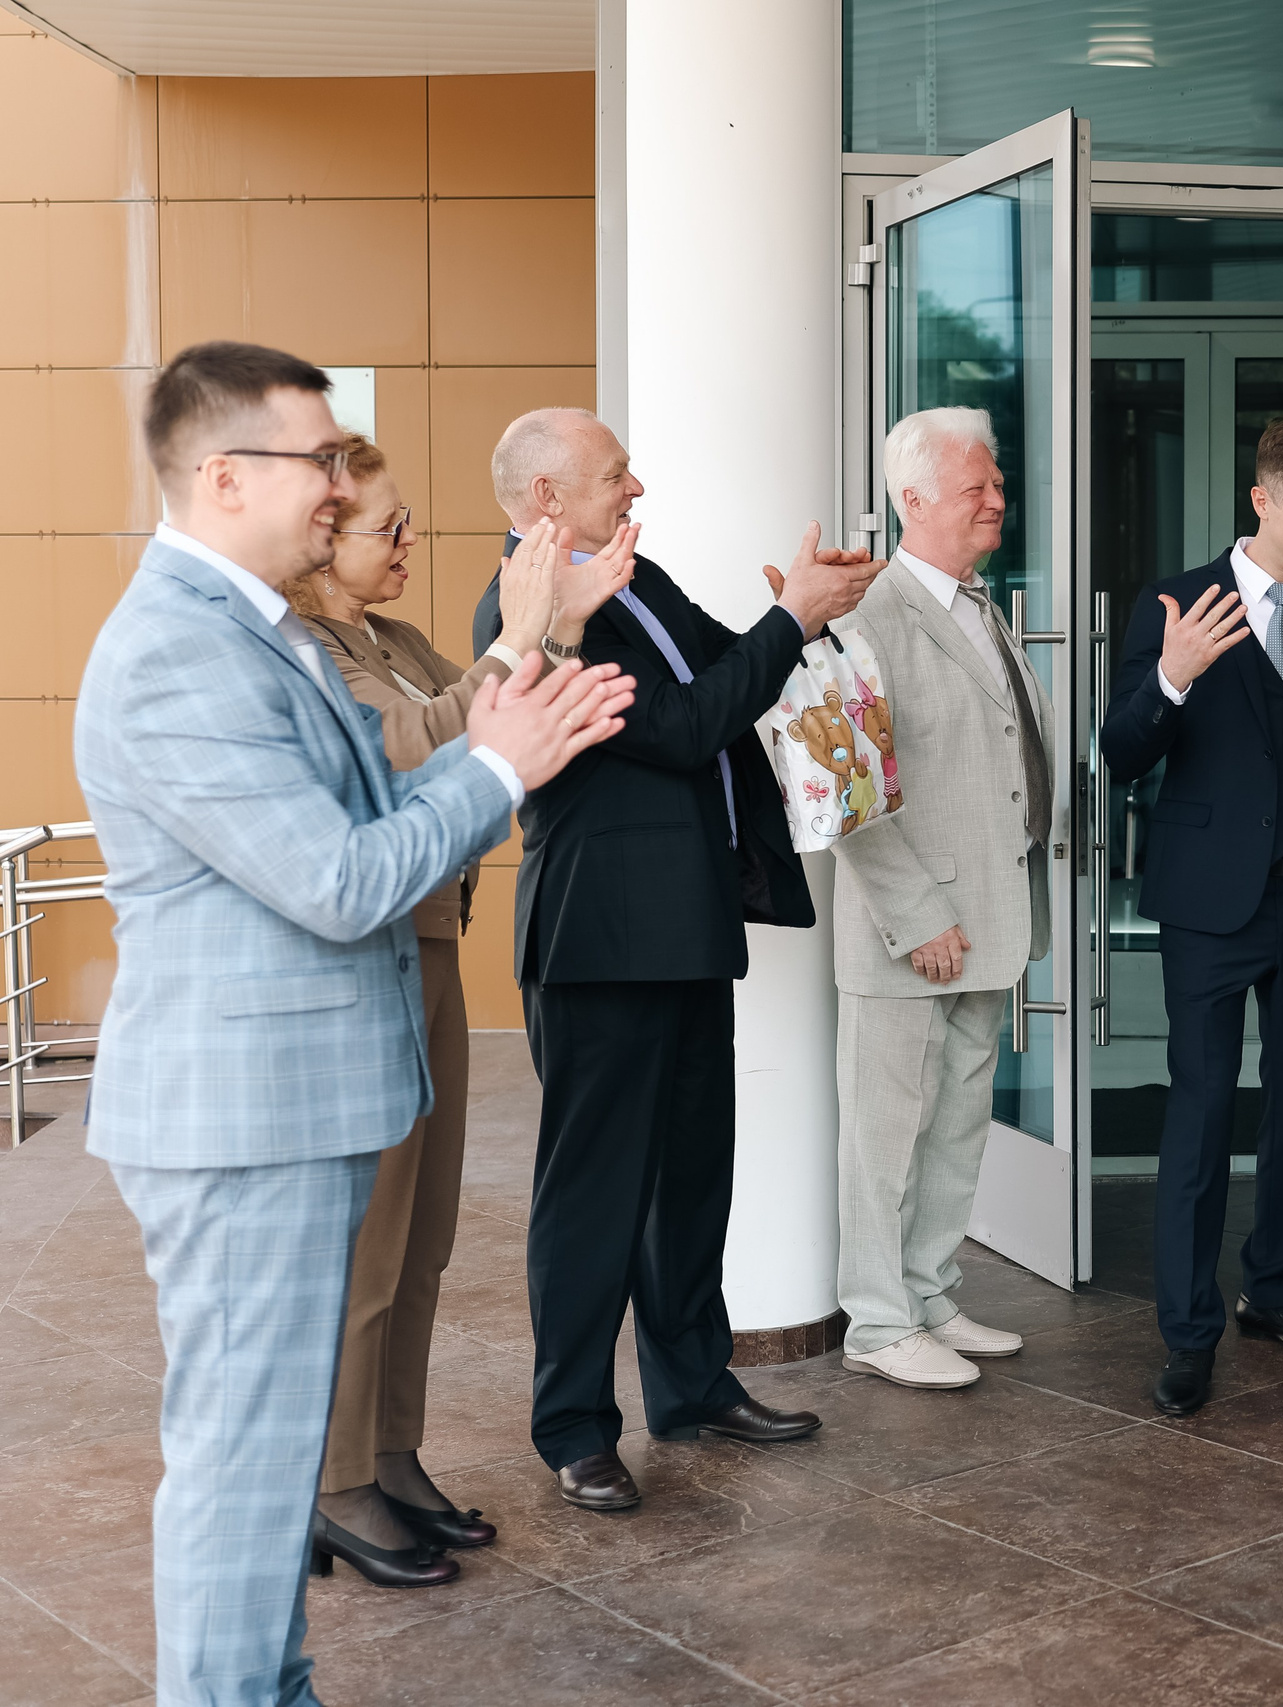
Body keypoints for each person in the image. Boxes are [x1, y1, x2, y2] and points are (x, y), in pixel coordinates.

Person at [74, 342, 630, 1707]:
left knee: (259, 1464)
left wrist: (509, 708)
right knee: (242, 1463)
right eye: (319, 461)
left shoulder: (250, 626)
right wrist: (506, 762)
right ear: (221, 476)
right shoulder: (174, 652)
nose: (341, 487)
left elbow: (372, 816)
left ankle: (271, 1682)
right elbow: (339, 878)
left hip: (290, 1106)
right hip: (243, 1118)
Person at [471, 407, 878, 1511]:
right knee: (594, 1195)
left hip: (689, 924)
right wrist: (787, 621)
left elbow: (730, 666)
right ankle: (572, 1428)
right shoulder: (529, 617)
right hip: (600, 940)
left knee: (697, 1171)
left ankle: (693, 1387)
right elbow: (689, 724)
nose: (635, 485)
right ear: (547, 498)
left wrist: (802, 609)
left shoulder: (637, 584)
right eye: (613, 474)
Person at [282, 437, 626, 1585]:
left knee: (422, 1236)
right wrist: (520, 636)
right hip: (364, 957)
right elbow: (411, 742)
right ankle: (333, 1487)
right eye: (391, 529)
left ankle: (389, 1453)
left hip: (425, 942)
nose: (410, 545)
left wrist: (561, 623)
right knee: (370, 1241)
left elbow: (492, 707)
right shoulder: (308, 651)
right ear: (323, 542)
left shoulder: (391, 638)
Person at [1100, 415, 1283, 1416]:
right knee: (1204, 1108)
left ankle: (1275, 1289)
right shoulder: (1178, 600)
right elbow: (1120, 751)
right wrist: (1173, 675)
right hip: (1209, 906)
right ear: (1261, 499)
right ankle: (1187, 1331)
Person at [832, 407, 1049, 1389]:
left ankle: (927, 1293)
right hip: (909, 930)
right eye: (977, 486)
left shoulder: (975, 605)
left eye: (997, 483)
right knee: (884, 1138)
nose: (997, 499)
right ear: (911, 499)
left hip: (988, 921)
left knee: (958, 1123)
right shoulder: (863, 614)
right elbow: (846, 787)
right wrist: (916, 916)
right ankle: (878, 1321)